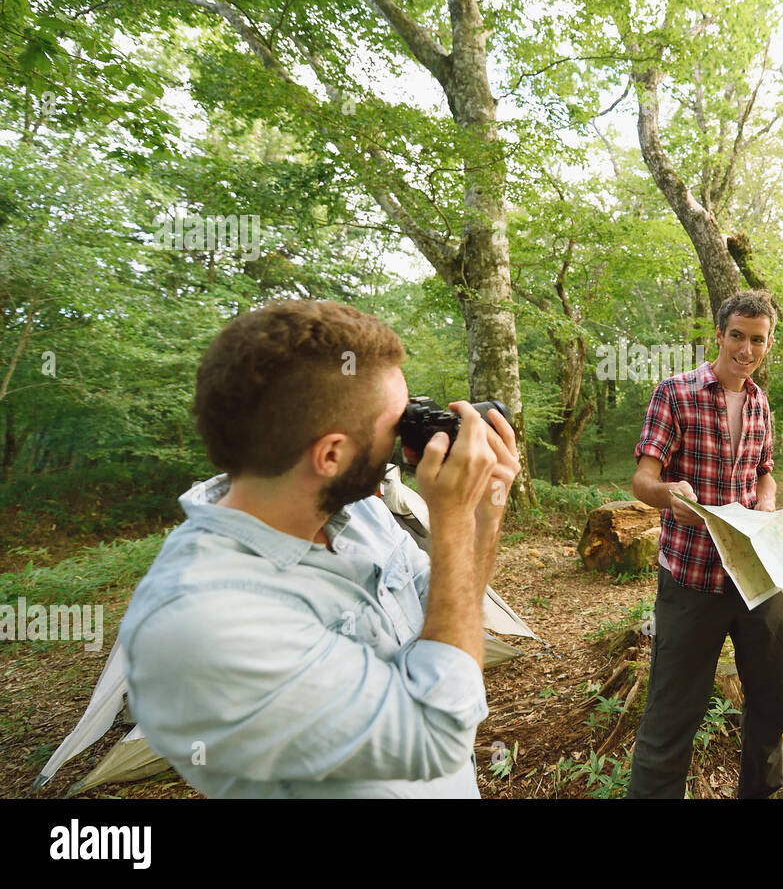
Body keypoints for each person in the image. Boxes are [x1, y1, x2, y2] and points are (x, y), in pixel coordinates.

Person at [117, 299, 520, 798]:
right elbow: (436, 736)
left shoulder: (361, 515)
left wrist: (483, 513)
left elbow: (444, 619)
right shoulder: (207, 620)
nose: (406, 436)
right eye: (397, 424)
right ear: (331, 454)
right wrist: (453, 519)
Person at [626, 290, 783, 799]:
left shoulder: (761, 403)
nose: (746, 349)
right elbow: (642, 480)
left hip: (756, 578)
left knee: (771, 703)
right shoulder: (675, 392)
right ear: (718, 335)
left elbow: (764, 472)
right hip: (692, 579)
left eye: (757, 340)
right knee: (673, 711)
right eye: (737, 336)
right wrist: (666, 493)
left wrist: (767, 498)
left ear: (768, 344)